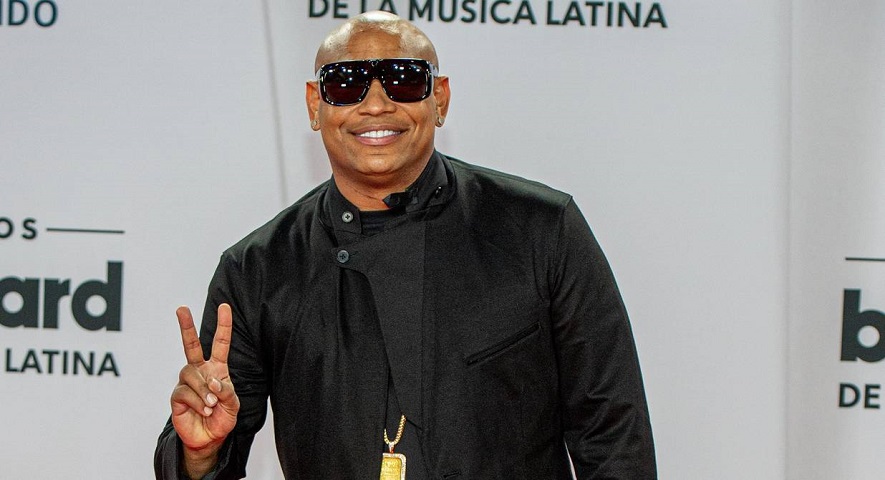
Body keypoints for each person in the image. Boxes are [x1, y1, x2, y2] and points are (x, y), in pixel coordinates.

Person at [154, 11, 656, 480]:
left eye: (405, 80)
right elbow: (204, 453)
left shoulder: (541, 230)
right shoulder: (258, 268)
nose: (376, 104)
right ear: (314, 105)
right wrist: (201, 453)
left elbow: (612, 433)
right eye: (345, 84)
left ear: (440, 99)